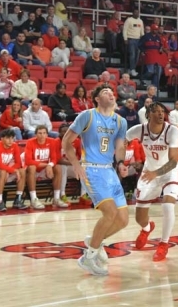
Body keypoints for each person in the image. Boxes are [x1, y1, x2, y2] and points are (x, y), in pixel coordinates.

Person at [62, 85, 129, 276]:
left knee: (123, 220)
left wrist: (122, 162)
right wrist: (75, 163)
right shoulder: (87, 116)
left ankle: (95, 241)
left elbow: (119, 146)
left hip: (110, 171)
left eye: (111, 91)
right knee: (110, 213)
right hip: (92, 170)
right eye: (105, 92)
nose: (110, 93)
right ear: (97, 99)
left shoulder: (120, 121)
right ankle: (88, 257)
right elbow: (66, 141)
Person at [126, 102, 178, 262]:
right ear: (148, 114)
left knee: (167, 204)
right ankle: (147, 228)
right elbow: (123, 140)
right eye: (156, 111)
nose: (160, 114)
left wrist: (155, 173)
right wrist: (121, 160)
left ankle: (163, 244)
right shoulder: (139, 130)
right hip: (149, 172)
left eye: (162, 111)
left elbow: (173, 160)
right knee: (139, 217)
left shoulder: (172, 130)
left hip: (169, 172)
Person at [24, 125, 69, 209]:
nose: (42, 135)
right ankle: (34, 199)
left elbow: (54, 158)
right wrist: (47, 165)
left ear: (47, 134)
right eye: (40, 133)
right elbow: (28, 161)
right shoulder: (30, 142)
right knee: (32, 167)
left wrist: (50, 165)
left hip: (45, 170)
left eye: (44, 133)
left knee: (58, 167)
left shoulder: (52, 142)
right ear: (36, 134)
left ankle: (56, 198)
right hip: (33, 170)